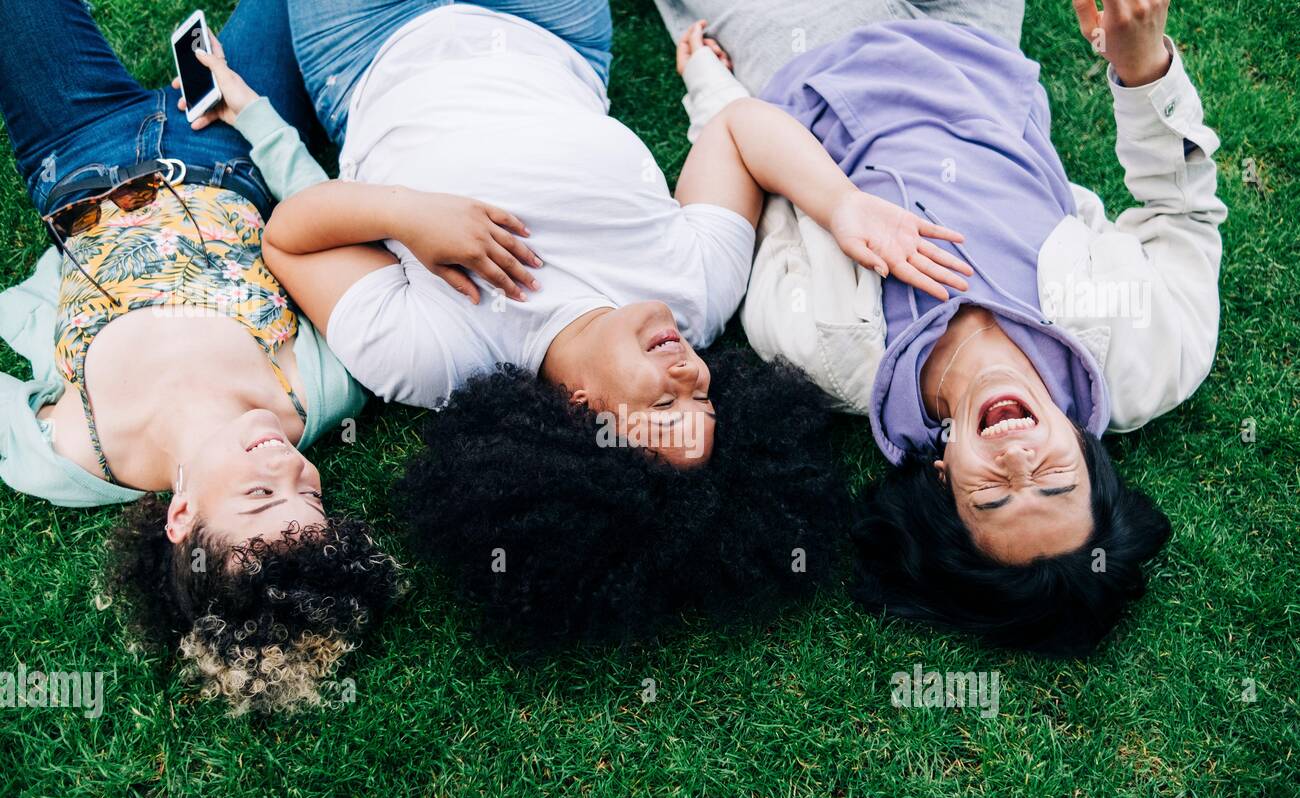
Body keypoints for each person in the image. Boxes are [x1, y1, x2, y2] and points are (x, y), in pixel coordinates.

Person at [263, 0, 968, 642]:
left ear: (583, 415)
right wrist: (841, 204)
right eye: (704, 396)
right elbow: (738, 131)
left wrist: (405, 213)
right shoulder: (697, 292)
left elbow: (288, 238)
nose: (692, 371)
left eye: (665, 400)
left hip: (372, 42)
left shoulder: (438, 356)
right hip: (552, 28)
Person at [661, 0, 1223, 652]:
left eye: (993, 497)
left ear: (942, 477)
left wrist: (713, 89)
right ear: (1089, 460)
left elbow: (750, 181)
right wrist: (1143, 68)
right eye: (1057, 482)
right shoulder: (1151, 358)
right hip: (978, 50)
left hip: (811, 58)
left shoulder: (821, 347)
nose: (1019, 460)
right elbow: (1182, 217)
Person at [0, 0, 403, 712]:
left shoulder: (66, 455)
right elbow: (329, 222)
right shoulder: (324, 391)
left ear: (181, 516)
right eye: (311, 494)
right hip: (229, 143)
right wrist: (256, 118)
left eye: (259, 496)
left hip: (77, 153)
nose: (287, 466)